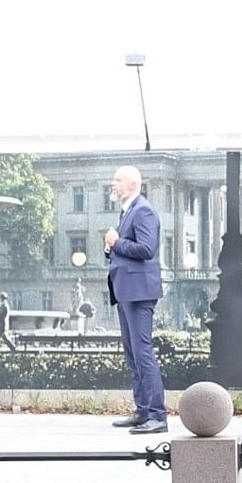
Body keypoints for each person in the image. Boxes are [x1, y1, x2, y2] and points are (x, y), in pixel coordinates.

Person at [103, 165, 165, 433]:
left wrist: (116, 243)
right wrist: (111, 249)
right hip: (127, 290)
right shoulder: (128, 210)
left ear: (132, 184)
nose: (112, 184)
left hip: (139, 292)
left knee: (142, 352)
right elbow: (129, 249)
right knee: (133, 354)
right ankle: (142, 411)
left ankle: (157, 415)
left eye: (117, 180)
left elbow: (146, 249)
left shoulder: (143, 210)